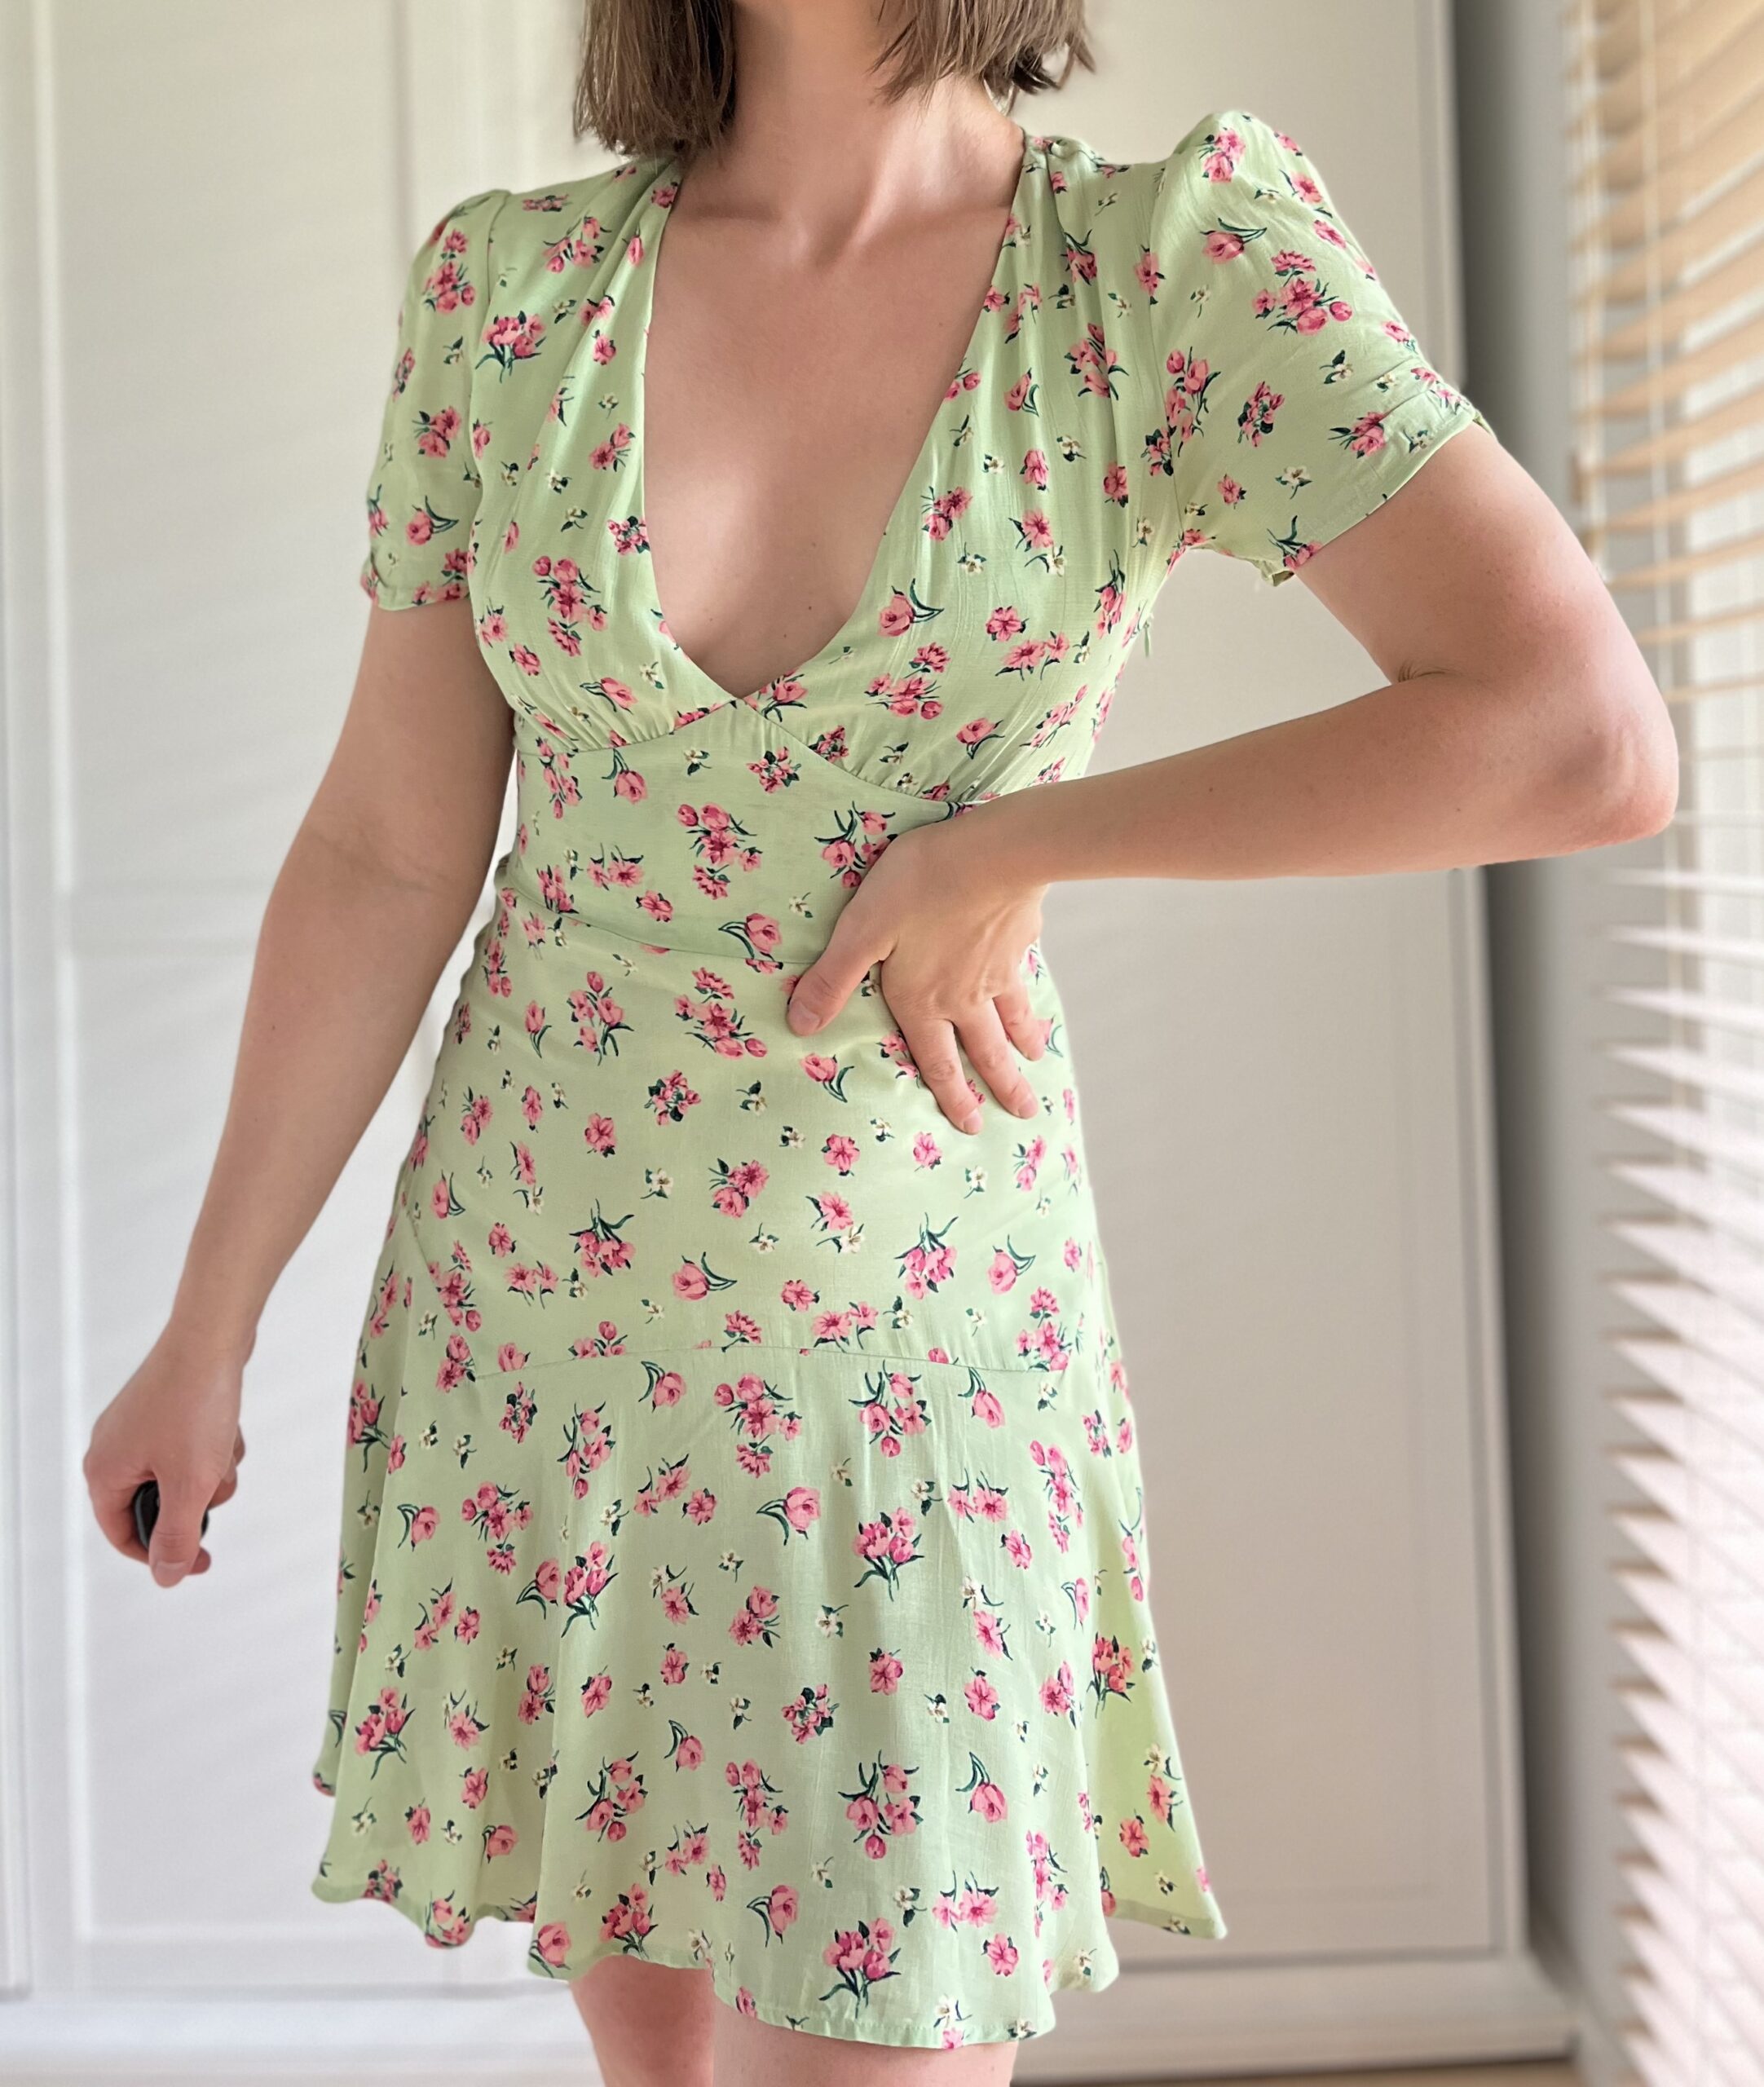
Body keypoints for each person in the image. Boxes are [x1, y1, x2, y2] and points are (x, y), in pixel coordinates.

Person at [81, 1, 1677, 2080]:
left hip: (904, 1389)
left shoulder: (1162, 271)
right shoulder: (506, 294)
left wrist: (1016, 844)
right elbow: (387, 850)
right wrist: (206, 1324)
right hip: (542, 1351)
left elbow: (1572, 731)